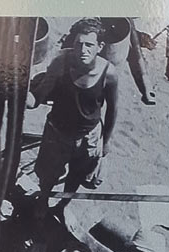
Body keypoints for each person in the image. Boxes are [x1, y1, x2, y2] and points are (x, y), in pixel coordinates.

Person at [27, 17, 119, 220]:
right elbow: (38, 97)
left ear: (99, 47)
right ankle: (42, 201)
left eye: (89, 45)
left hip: (88, 137)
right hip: (57, 135)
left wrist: (105, 143)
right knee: (47, 176)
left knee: (76, 176)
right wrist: (24, 96)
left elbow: (112, 110)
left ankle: (63, 204)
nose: (83, 50)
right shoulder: (60, 63)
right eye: (78, 44)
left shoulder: (109, 74)